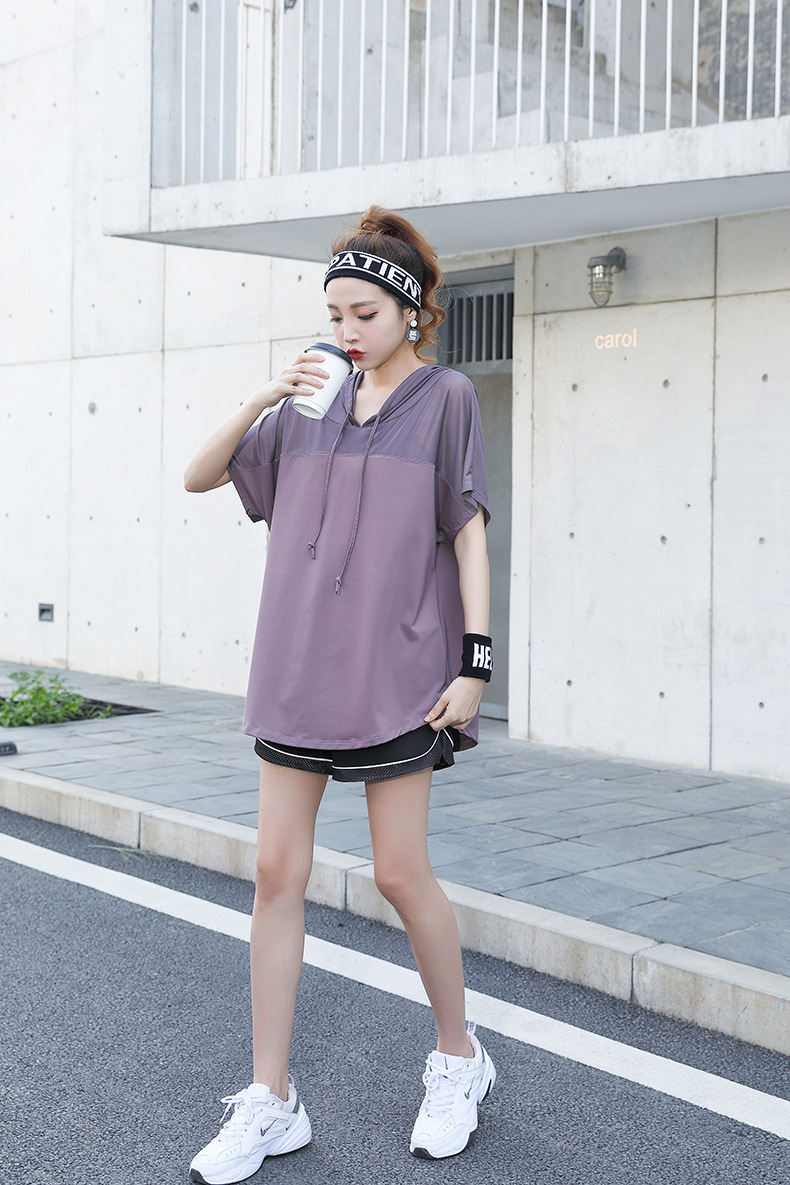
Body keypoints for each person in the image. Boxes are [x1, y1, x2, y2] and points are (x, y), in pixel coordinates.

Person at [184, 207, 495, 1185]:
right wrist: (265, 394)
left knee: (400, 874)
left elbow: (468, 533)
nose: (349, 330)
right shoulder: (308, 404)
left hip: (398, 674)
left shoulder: (447, 399)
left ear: (412, 311)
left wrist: (474, 663)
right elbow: (198, 476)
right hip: (295, 672)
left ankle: (458, 1058)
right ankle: (270, 1097)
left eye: (366, 313)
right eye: (335, 314)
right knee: (276, 873)